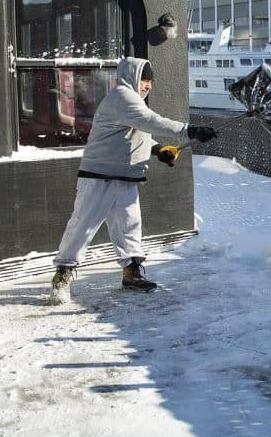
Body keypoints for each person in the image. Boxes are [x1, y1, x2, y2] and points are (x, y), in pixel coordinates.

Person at [50, 57, 217, 304]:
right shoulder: (122, 96)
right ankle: (61, 277)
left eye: (150, 81)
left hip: (125, 175)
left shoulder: (131, 102)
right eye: (144, 79)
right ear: (132, 77)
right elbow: (149, 121)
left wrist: (158, 149)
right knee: (82, 226)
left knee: (130, 226)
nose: (148, 85)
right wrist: (188, 130)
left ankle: (131, 273)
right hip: (100, 176)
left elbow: (137, 134)